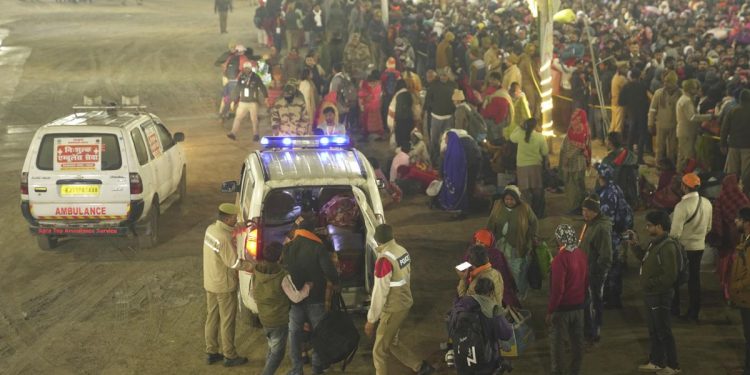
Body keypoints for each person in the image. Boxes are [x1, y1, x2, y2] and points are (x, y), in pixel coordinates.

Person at [366, 224, 435, 375]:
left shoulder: (384, 260)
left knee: (379, 351)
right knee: (392, 343)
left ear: (377, 240)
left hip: (393, 308)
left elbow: (380, 293)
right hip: (404, 302)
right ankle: (420, 367)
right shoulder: (401, 250)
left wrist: (371, 320)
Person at [282, 215, 340, 375]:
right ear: (312, 231)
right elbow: (329, 271)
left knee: (294, 334)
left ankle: (296, 370)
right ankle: (317, 369)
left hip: (295, 300)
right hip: (316, 298)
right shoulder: (318, 247)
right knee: (318, 334)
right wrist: (335, 282)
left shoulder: (288, 247)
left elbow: (284, 269)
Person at [626, 210, 681, 375]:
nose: (646, 228)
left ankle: (673, 365)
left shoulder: (668, 246)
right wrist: (635, 245)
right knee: (654, 330)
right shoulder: (655, 243)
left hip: (660, 295)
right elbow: (645, 258)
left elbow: (670, 276)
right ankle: (657, 361)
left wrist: (650, 284)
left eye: (649, 225)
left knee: (663, 330)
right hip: (651, 294)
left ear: (659, 226)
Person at [202, 203, 254, 367]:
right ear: (227, 218)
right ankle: (230, 356)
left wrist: (243, 226)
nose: (236, 219)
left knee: (212, 317)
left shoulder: (211, 229)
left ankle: (211, 352)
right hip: (224, 286)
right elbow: (234, 263)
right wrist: (253, 265)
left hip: (210, 282)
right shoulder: (224, 239)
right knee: (227, 321)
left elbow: (230, 230)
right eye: (234, 218)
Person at [254, 242, 312, 375]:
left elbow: (253, 293)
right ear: (280, 257)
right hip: (278, 319)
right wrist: (308, 287)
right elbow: (296, 297)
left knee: (272, 348)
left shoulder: (256, 271)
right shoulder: (282, 276)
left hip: (264, 317)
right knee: (277, 354)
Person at [670, 173, 712, 322]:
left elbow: (675, 233)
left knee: (674, 278)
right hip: (699, 247)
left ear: (684, 186)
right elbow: (708, 227)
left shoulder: (681, 206)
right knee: (694, 279)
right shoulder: (707, 203)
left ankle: (674, 308)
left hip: (683, 247)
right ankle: (694, 311)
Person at [548, 224, 589, 375]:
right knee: (577, 343)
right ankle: (575, 371)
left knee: (558, 345)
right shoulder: (581, 254)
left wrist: (551, 310)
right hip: (578, 307)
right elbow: (585, 282)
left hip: (562, 310)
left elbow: (557, 289)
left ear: (560, 240)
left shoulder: (560, 259)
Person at [449, 278, 513, 375]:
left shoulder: (460, 304)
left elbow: (451, 328)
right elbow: (506, 334)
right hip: (485, 361)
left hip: (461, 357)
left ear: (475, 290)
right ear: (491, 292)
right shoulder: (493, 309)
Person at [486, 185, 538, 300]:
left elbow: (534, 222)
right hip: (500, 244)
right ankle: (503, 292)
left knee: (517, 271)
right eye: (507, 199)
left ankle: (520, 292)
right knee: (499, 268)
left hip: (517, 246)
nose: (509, 202)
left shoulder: (525, 208)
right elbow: (491, 222)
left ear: (517, 199)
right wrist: (488, 238)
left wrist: (532, 236)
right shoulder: (497, 205)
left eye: (512, 199)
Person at [595, 163, 634, 309]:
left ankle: (611, 298)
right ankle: (615, 296)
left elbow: (606, 219)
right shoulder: (616, 188)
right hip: (618, 233)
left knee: (607, 265)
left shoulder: (606, 194)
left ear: (601, 177)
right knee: (615, 265)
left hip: (610, 235)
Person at [578, 196, 613, 348]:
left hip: (594, 272)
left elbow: (606, 256)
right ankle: (590, 331)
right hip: (587, 270)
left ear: (596, 211)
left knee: (592, 303)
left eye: (589, 210)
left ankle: (593, 333)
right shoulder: (590, 224)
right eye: (584, 210)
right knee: (588, 302)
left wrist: (596, 273)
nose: (585, 213)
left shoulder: (601, 228)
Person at [711, 174, 750, 301]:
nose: (741, 186)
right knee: (741, 265)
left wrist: (720, 236)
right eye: (739, 183)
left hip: (726, 239)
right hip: (740, 238)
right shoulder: (742, 199)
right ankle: (738, 291)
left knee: (726, 267)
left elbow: (716, 220)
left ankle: (727, 291)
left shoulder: (720, 198)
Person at [465, 229, 521, 309]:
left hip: (492, 284)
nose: (478, 244)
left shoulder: (496, 255)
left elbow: (504, 273)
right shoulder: (471, 253)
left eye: (482, 243)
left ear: (488, 244)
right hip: (475, 284)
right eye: (477, 241)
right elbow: (466, 266)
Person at [437, 130, 481, 219]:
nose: (445, 140)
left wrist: (441, 174)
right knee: (469, 185)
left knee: (461, 188)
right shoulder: (464, 139)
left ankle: (462, 210)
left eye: (446, 139)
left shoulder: (452, 145)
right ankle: (468, 207)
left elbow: (445, 161)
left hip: (466, 165)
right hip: (474, 160)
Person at [510, 118, 549, 218]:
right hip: (535, 166)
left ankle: (526, 213)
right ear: (536, 126)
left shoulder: (520, 135)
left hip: (522, 166)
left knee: (524, 191)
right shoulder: (540, 137)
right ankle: (537, 213)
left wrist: (519, 127)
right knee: (537, 190)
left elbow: (511, 137)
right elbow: (545, 152)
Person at [559, 109, 591, 215]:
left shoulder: (583, 132)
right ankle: (576, 206)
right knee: (572, 185)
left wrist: (567, 157)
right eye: (572, 119)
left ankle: (577, 207)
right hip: (570, 165)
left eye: (575, 119)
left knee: (576, 186)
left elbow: (581, 148)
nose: (573, 122)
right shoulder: (572, 131)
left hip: (577, 164)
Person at [730, 207, 750, 375]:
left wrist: (736, 287)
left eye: (738, 219)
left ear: (747, 223)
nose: (735, 221)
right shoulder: (745, 239)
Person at [424, 67, 458, 164]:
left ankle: (445, 161)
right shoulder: (434, 85)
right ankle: (433, 160)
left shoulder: (454, 85)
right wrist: (432, 107)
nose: (443, 77)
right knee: (434, 140)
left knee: (446, 140)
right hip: (436, 117)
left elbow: (458, 100)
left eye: (445, 75)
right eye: (442, 75)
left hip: (449, 117)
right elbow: (428, 99)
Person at [227, 62, 268, 141]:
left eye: (248, 68)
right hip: (243, 101)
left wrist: (266, 97)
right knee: (238, 117)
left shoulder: (256, 77)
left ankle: (256, 135)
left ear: (250, 68)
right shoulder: (241, 77)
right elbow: (237, 89)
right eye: (245, 68)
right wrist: (233, 100)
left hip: (253, 102)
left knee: (254, 119)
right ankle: (233, 133)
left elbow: (262, 87)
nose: (246, 69)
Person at [619, 68, 651, 164]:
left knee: (631, 136)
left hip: (631, 114)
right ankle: (640, 158)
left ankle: (629, 157)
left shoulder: (626, 87)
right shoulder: (643, 86)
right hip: (643, 114)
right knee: (641, 136)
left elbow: (621, 102)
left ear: (630, 76)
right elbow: (648, 100)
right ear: (639, 76)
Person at [648, 71, 681, 165]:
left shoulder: (680, 94)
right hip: (661, 125)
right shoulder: (658, 93)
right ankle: (658, 165)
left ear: (675, 82)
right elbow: (652, 109)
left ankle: (670, 167)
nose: (666, 84)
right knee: (659, 148)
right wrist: (650, 123)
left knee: (672, 148)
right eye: (665, 81)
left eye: (669, 82)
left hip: (674, 125)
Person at [721, 89, 750, 195]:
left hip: (733, 145)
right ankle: (744, 196)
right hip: (748, 147)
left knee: (732, 173)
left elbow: (724, 128)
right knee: (746, 174)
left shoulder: (733, 110)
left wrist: (722, 143)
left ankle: (730, 194)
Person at [676, 79, 701, 172]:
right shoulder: (686, 101)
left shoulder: (684, 99)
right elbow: (692, 117)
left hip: (684, 131)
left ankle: (679, 175)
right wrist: (709, 117)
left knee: (682, 156)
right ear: (690, 89)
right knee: (687, 157)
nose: (696, 90)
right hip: (687, 132)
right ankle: (682, 177)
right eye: (694, 88)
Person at [481, 72, 512, 144]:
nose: (491, 81)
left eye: (494, 79)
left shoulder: (502, 94)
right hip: (486, 121)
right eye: (490, 79)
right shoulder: (488, 91)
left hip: (496, 123)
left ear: (499, 81)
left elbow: (504, 109)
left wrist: (497, 122)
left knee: (496, 142)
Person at [387, 79, 415, 150]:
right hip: (409, 120)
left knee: (400, 141)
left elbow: (394, 110)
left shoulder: (397, 95)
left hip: (400, 121)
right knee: (407, 139)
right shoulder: (409, 94)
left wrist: (393, 123)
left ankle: (401, 157)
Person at [359, 70, 385, 141]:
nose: (370, 85)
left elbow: (373, 98)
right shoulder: (378, 87)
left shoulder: (377, 88)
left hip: (372, 107)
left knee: (369, 122)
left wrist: (367, 102)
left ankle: (369, 134)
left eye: (371, 83)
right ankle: (375, 134)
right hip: (373, 106)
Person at [610, 62, 628, 133]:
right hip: (620, 104)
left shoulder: (615, 76)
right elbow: (628, 86)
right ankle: (617, 142)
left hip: (614, 102)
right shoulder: (621, 78)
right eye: (625, 68)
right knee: (618, 125)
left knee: (613, 124)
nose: (627, 69)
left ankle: (609, 141)